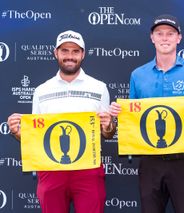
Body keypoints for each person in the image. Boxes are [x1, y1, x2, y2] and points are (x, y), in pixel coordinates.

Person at [109, 14, 184, 213]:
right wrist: (119, 114)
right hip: (150, 160)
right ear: (152, 38)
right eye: (160, 33)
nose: (165, 38)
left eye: (170, 34)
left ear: (178, 38)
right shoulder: (138, 75)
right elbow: (133, 118)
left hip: (183, 159)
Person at [7, 30, 116, 213]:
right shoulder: (41, 90)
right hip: (51, 169)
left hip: (88, 169)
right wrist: (18, 133)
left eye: (75, 51)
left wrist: (108, 126)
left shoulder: (99, 87)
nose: (70, 56)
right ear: (55, 53)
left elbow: (107, 133)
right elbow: (35, 136)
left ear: (83, 54)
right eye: (65, 51)